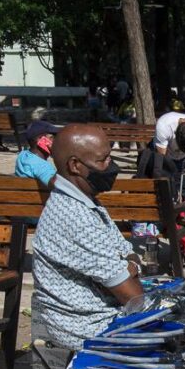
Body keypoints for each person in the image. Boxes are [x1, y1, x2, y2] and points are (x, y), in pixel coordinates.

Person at [31, 124, 144, 350]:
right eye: (103, 160)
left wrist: (128, 265)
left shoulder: (83, 199)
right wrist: (128, 269)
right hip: (88, 326)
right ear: (75, 165)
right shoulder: (74, 216)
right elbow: (133, 298)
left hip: (95, 312)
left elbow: (125, 248)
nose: (110, 167)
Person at [15, 120, 62, 188]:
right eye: (52, 137)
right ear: (40, 139)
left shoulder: (22, 156)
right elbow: (55, 185)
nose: (56, 141)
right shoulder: (41, 165)